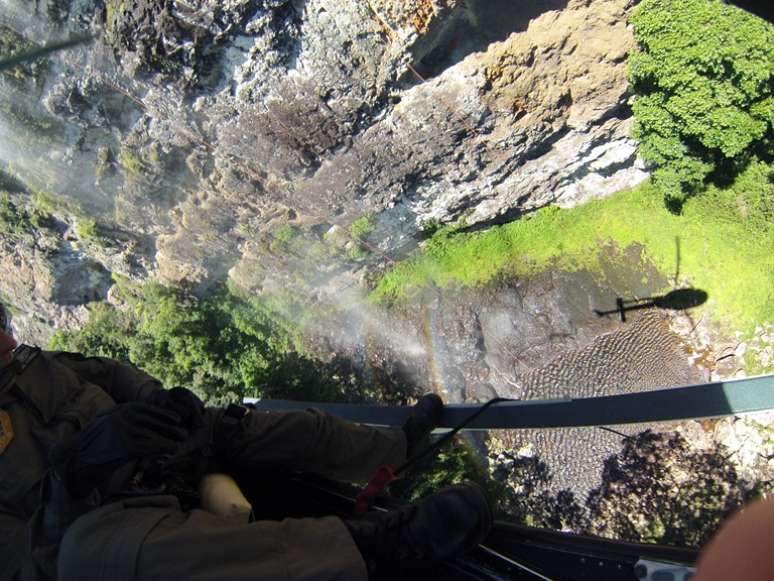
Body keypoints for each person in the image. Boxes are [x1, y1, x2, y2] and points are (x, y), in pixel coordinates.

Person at [0, 301, 492, 581]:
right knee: (85, 556)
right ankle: (382, 547)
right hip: (112, 515)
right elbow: (31, 569)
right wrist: (71, 479)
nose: (6, 336)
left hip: (160, 450)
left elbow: (111, 373)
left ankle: (396, 447)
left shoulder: (33, 364)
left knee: (270, 425)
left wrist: (161, 399)